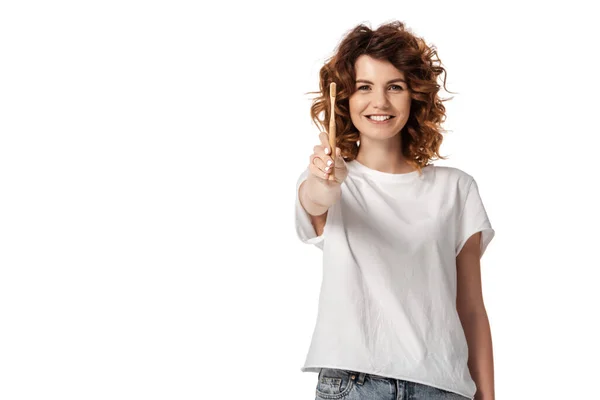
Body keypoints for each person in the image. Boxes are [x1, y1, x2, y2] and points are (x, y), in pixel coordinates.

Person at [295, 21, 496, 400]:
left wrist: (487, 396)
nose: (380, 102)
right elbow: (316, 199)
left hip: (444, 387)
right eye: (364, 87)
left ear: (415, 96)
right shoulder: (332, 179)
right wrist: (326, 179)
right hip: (353, 385)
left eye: (395, 87)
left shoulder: (456, 188)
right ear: (345, 99)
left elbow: (471, 308)